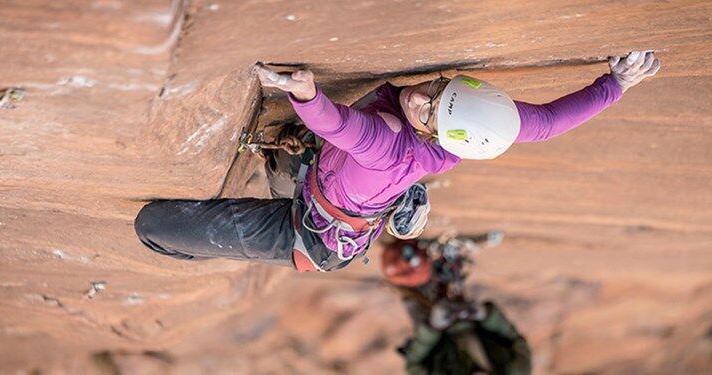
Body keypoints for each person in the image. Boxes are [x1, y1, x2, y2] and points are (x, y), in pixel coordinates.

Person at [134, 51, 660, 271]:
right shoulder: (476, 120)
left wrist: (306, 92)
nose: (419, 100)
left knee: (153, 226)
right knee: (292, 163)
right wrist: (617, 83)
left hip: (313, 235)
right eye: (437, 90)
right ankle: (396, 199)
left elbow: (340, 126)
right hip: (335, 179)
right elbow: (546, 123)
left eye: (429, 112)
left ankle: (393, 200)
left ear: (439, 135)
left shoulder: (388, 143)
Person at [382, 235, 531, 374]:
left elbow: (413, 364)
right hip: (473, 321)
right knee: (450, 276)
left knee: (404, 278)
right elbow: (516, 341)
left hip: (437, 332)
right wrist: (486, 315)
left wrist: (432, 328)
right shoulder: (518, 371)